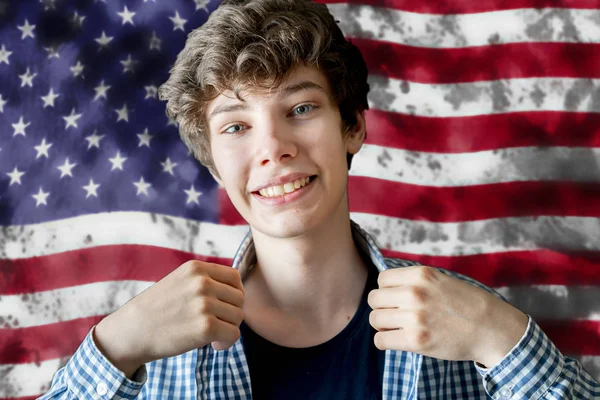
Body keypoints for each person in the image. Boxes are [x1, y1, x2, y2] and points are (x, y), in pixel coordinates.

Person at [40, 0, 599, 399]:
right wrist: (113, 346)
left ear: (352, 126)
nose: (273, 149)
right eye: (236, 127)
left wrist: (501, 336)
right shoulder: (149, 350)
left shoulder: (468, 322)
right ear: (212, 160)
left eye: (301, 109)